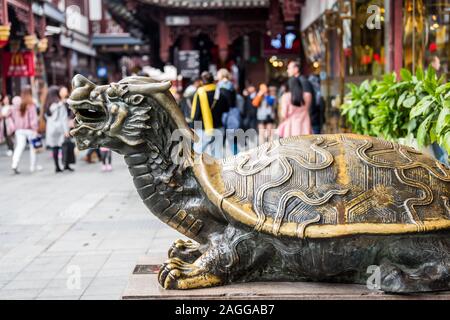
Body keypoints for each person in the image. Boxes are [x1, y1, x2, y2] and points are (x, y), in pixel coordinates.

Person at [10, 87, 41, 174]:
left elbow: (10, 115)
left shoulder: (16, 104)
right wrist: (35, 129)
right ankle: (32, 166)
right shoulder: (31, 104)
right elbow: (33, 118)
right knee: (33, 148)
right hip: (29, 129)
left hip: (19, 129)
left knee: (19, 146)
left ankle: (14, 164)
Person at [45, 86, 72, 173]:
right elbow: (64, 119)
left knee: (55, 147)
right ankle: (65, 165)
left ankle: (57, 167)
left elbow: (46, 118)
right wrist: (66, 131)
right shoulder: (60, 105)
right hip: (60, 129)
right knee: (64, 146)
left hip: (51, 130)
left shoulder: (47, 105)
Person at [286, 61, 317, 132]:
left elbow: (309, 102)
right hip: (301, 120)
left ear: (296, 69)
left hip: (307, 120)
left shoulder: (303, 81)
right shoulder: (297, 81)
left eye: (289, 68)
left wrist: (309, 119)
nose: (287, 71)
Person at [215, 68, 238, 155]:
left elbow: (223, 101)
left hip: (225, 113)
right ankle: (235, 155)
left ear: (221, 75)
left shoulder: (222, 85)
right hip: (232, 112)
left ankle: (221, 157)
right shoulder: (231, 85)